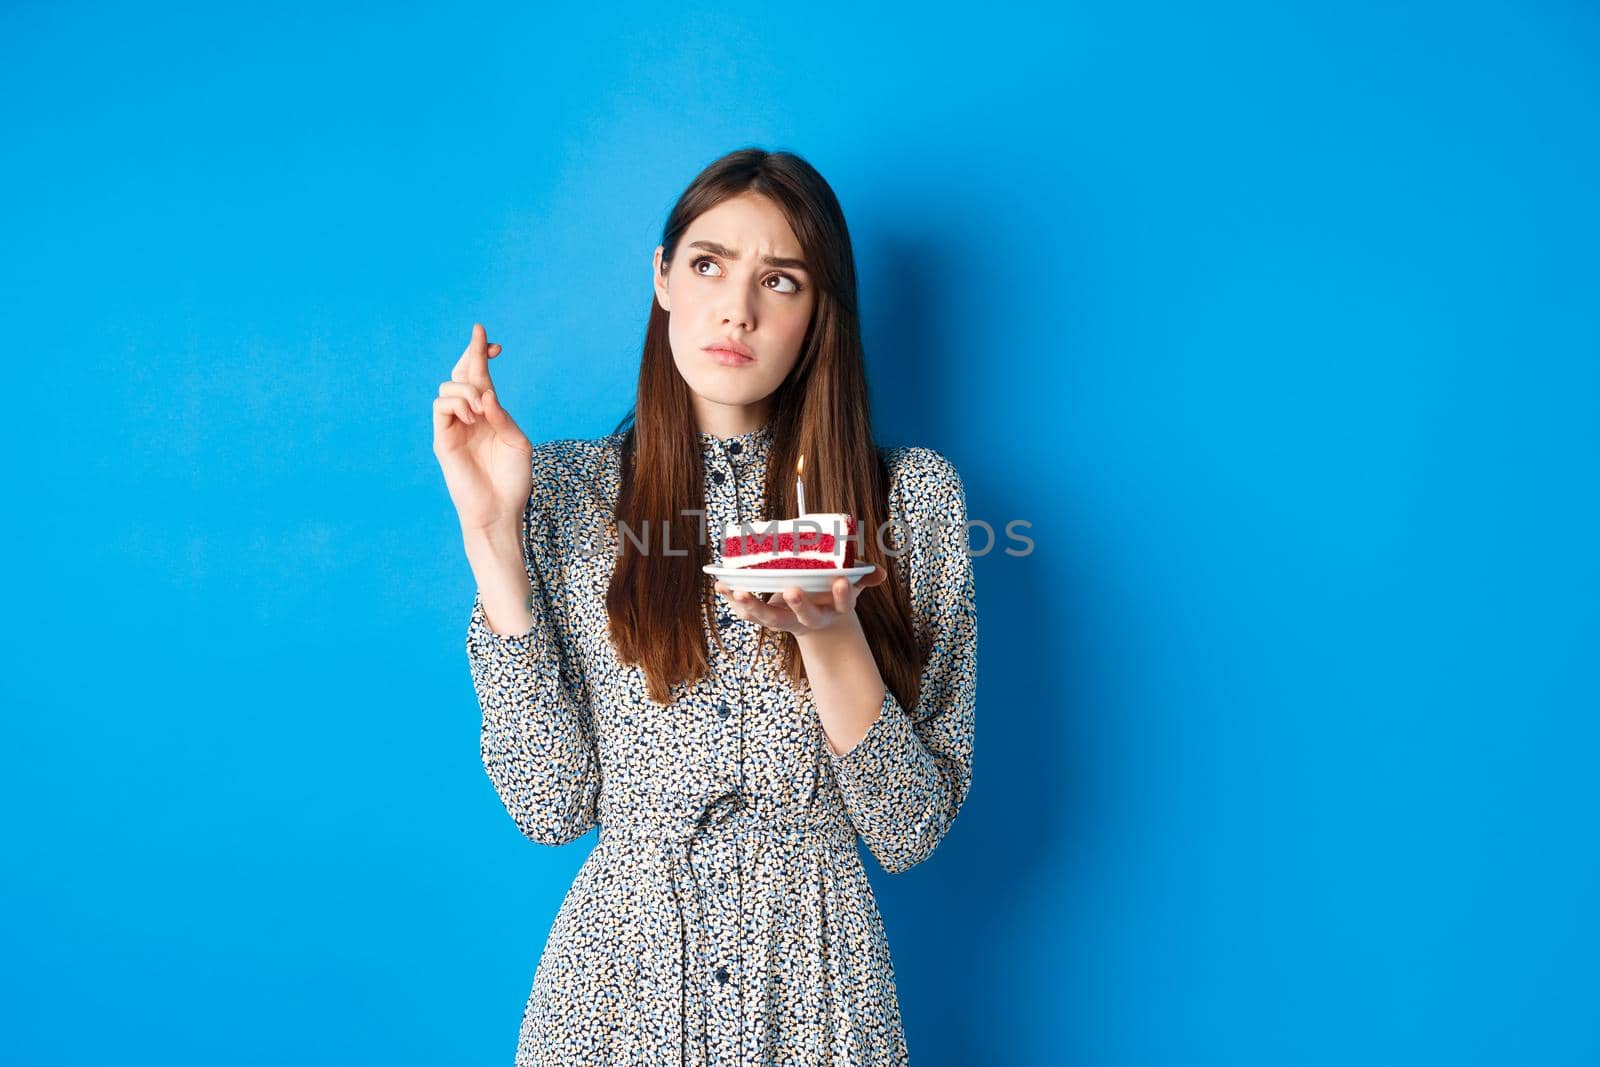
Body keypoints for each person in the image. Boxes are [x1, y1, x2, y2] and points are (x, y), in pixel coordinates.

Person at [432, 147, 977, 1066]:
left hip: (818, 995)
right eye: (709, 264)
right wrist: (492, 535)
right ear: (663, 277)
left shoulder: (912, 502)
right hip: (614, 997)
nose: (738, 308)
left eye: (782, 280)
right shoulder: (566, 492)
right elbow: (550, 805)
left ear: (819, 314)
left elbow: (908, 827)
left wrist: (832, 631)